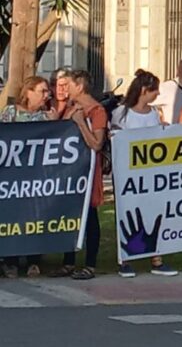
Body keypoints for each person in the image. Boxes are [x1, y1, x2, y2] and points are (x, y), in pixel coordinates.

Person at [111, 69, 179, 278]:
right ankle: (126, 258)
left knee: (154, 212)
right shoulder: (121, 113)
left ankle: (156, 258)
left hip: (151, 173)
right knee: (128, 212)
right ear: (143, 90)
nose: (157, 94)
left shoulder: (153, 113)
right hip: (128, 173)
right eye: (154, 90)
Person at [49, 70, 106, 280]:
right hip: (70, 173)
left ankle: (90, 264)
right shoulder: (70, 108)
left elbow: (96, 144)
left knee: (90, 216)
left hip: (88, 172)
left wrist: (81, 122)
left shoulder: (97, 111)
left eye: (70, 85)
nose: (66, 90)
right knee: (70, 215)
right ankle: (68, 261)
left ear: (79, 86)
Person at [0, 76, 58, 278]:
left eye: (47, 92)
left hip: (37, 178)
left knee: (35, 216)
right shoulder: (11, 113)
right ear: (29, 92)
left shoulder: (46, 116)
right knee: (12, 217)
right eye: (42, 91)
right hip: (12, 178)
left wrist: (55, 124)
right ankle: (11, 262)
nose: (46, 95)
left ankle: (34, 260)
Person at [151, 59, 182, 124]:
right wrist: (159, 120)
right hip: (173, 131)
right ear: (179, 71)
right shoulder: (166, 87)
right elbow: (147, 103)